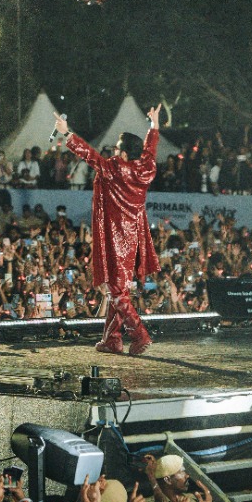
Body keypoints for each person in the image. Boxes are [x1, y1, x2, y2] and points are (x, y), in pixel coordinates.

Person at [53, 103, 162, 355]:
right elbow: (150, 151)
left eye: (116, 149)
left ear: (123, 153)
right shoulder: (146, 168)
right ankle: (112, 339)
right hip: (133, 236)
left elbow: (91, 156)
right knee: (118, 289)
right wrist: (154, 126)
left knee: (115, 290)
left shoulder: (116, 169)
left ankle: (140, 334)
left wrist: (67, 133)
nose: (113, 152)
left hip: (116, 237)